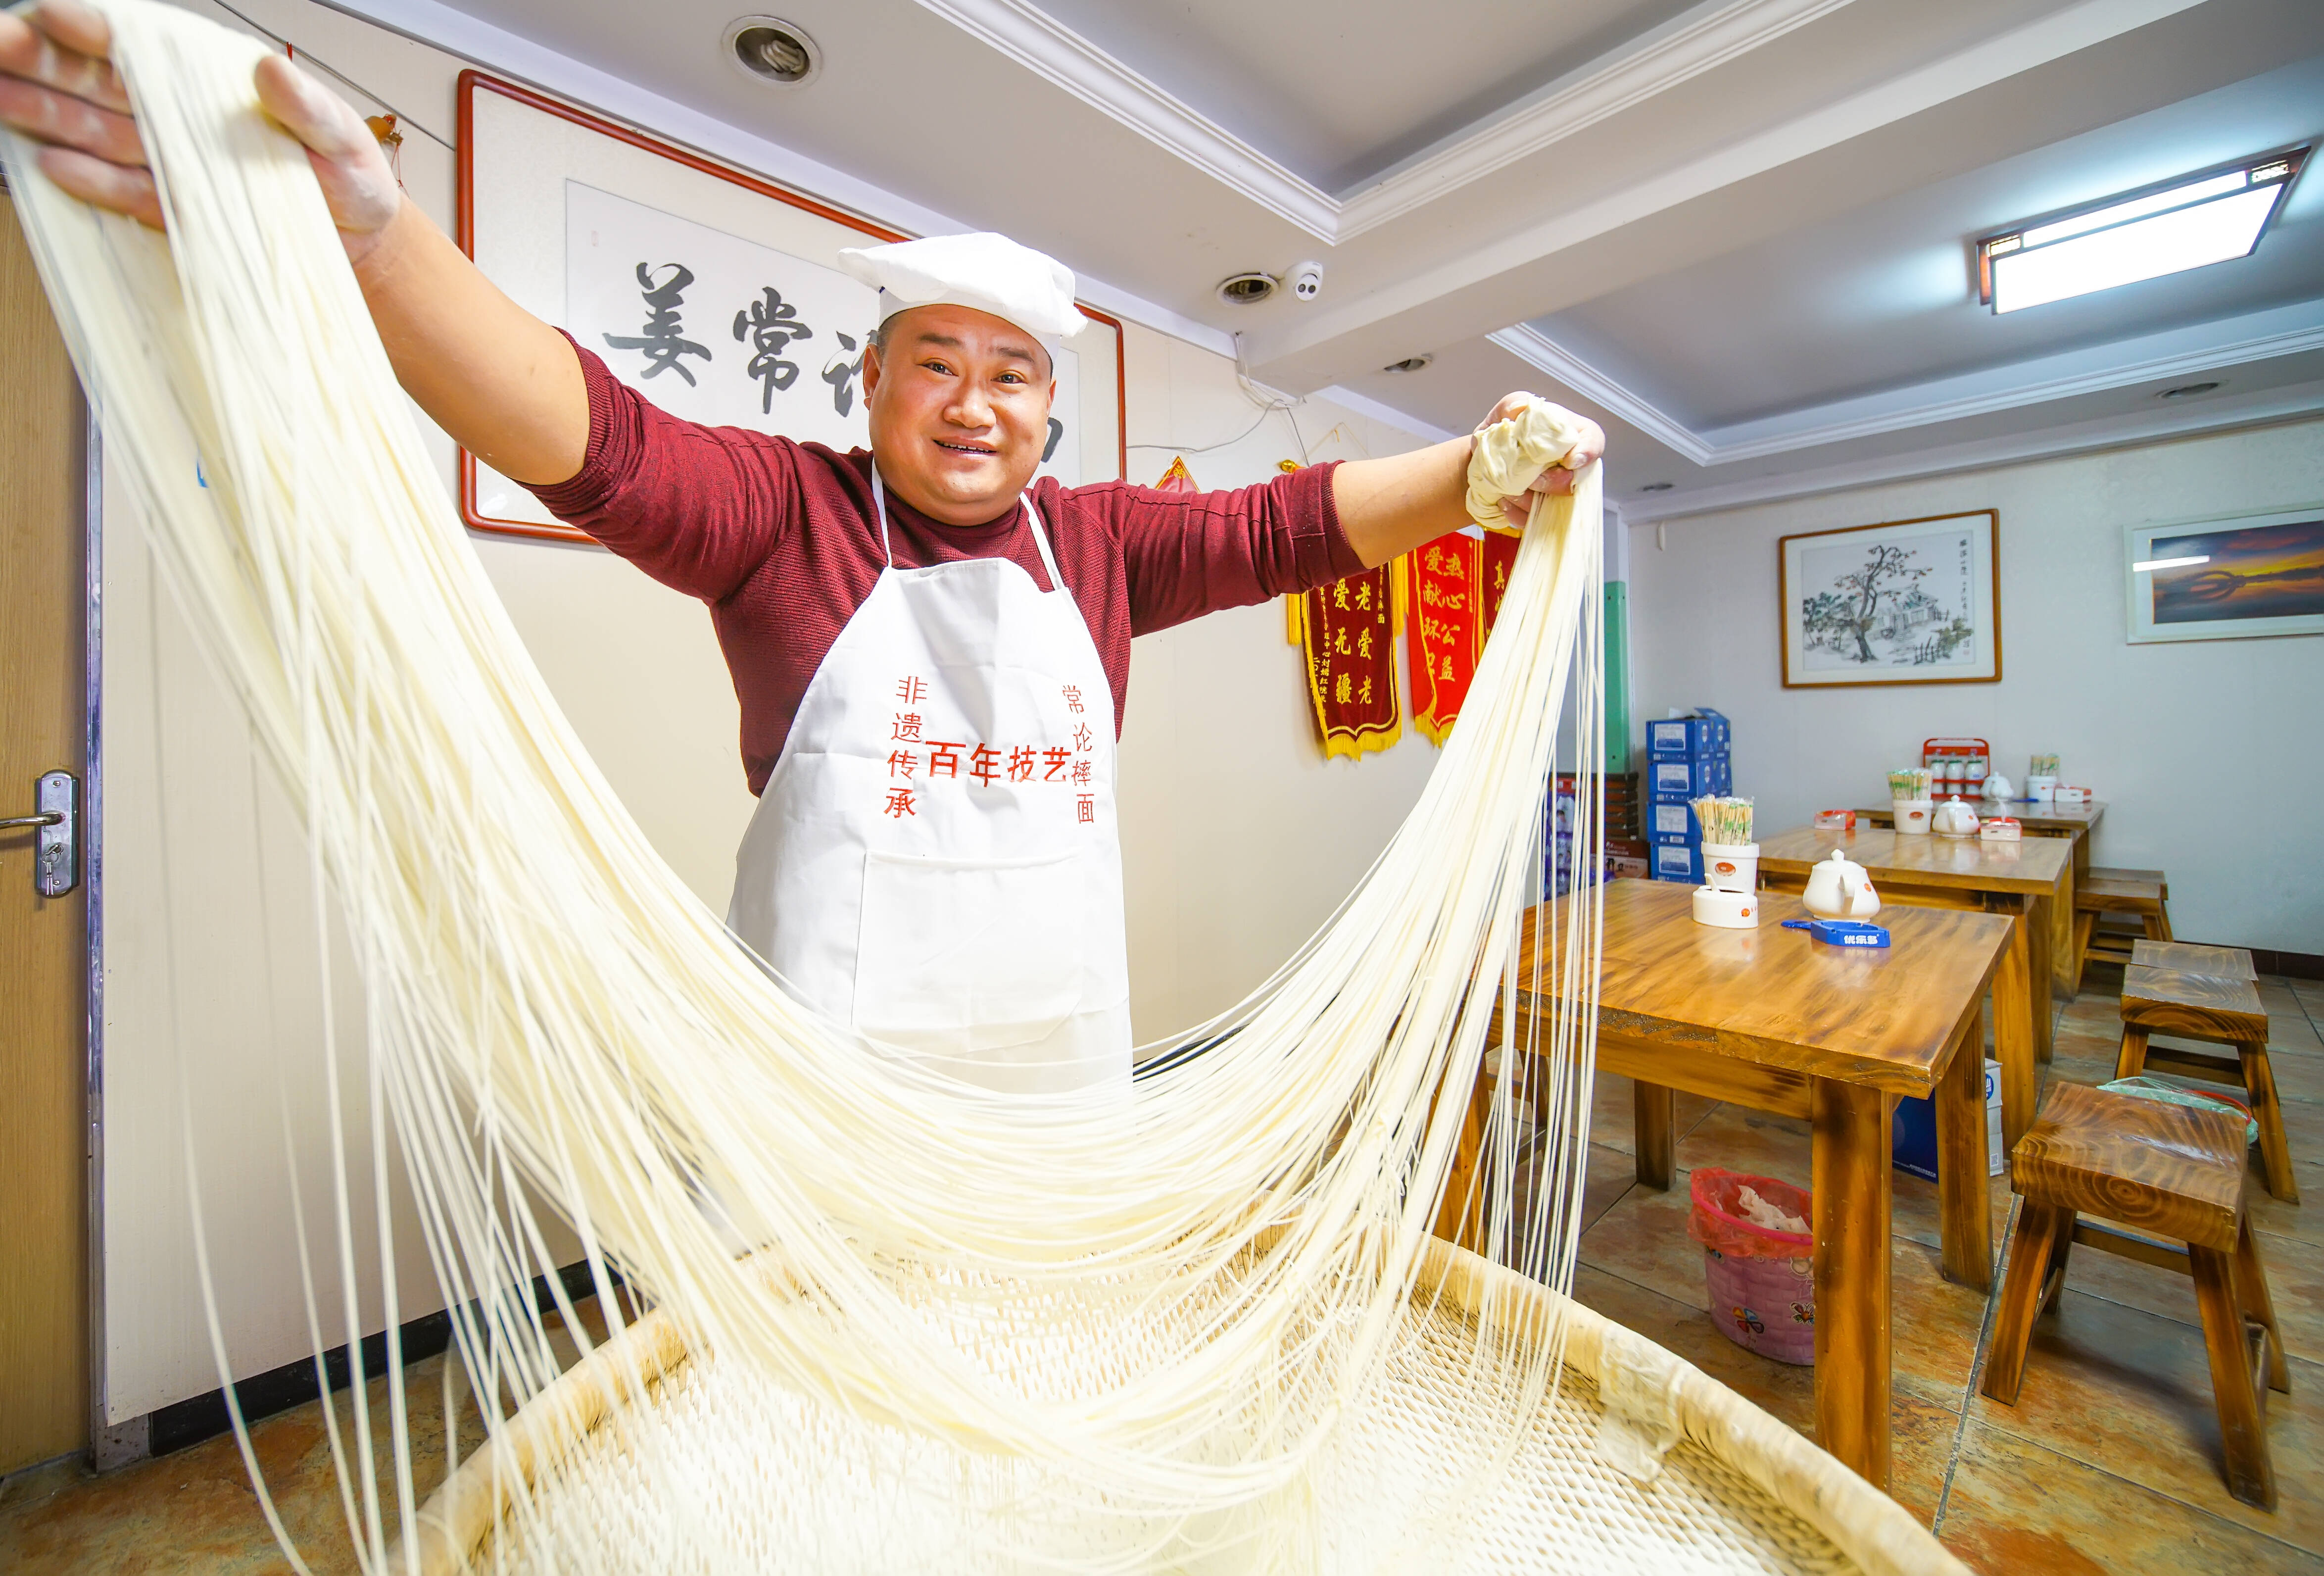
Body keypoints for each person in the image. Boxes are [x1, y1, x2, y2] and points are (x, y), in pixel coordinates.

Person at [0, 0, 1605, 1092]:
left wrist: (1475, 469)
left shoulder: (1105, 546)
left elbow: (1286, 525)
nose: (973, 407)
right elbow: (599, 437)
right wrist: (372, 243)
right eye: (936, 365)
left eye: (1013, 376)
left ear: (1053, 414)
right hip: (825, 1077)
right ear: (873, 386)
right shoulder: (784, 514)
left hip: (1055, 1069)